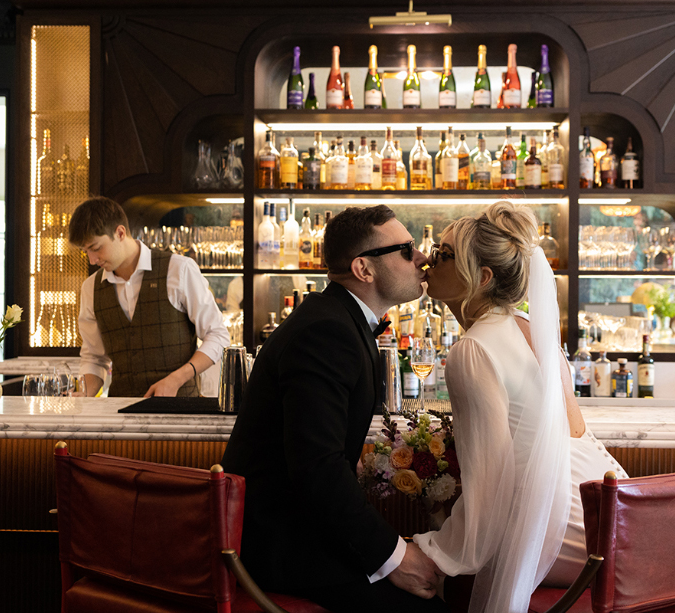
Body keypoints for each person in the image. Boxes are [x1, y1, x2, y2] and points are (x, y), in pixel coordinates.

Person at [220, 205, 447, 613]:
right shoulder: (327, 331)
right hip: (280, 547)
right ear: (364, 269)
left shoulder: (337, 320)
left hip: (301, 529)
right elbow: (317, 468)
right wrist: (394, 557)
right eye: (406, 249)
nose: (422, 258)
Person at [414, 201, 628, 613]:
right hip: (619, 515)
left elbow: (490, 490)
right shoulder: (529, 326)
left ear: (482, 277)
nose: (427, 262)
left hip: (564, 529)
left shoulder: (473, 349)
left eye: (443, 255)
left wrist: (431, 552)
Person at [68, 196, 230, 397]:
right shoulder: (90, 288)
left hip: (181, 412)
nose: (92, 260)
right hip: (120, 417)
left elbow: (218, 336)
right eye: (86, 252)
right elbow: (94, 358)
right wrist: (83, 394)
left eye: (96, 248)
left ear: (120, 233)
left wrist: (176, 379)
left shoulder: (178, 269)